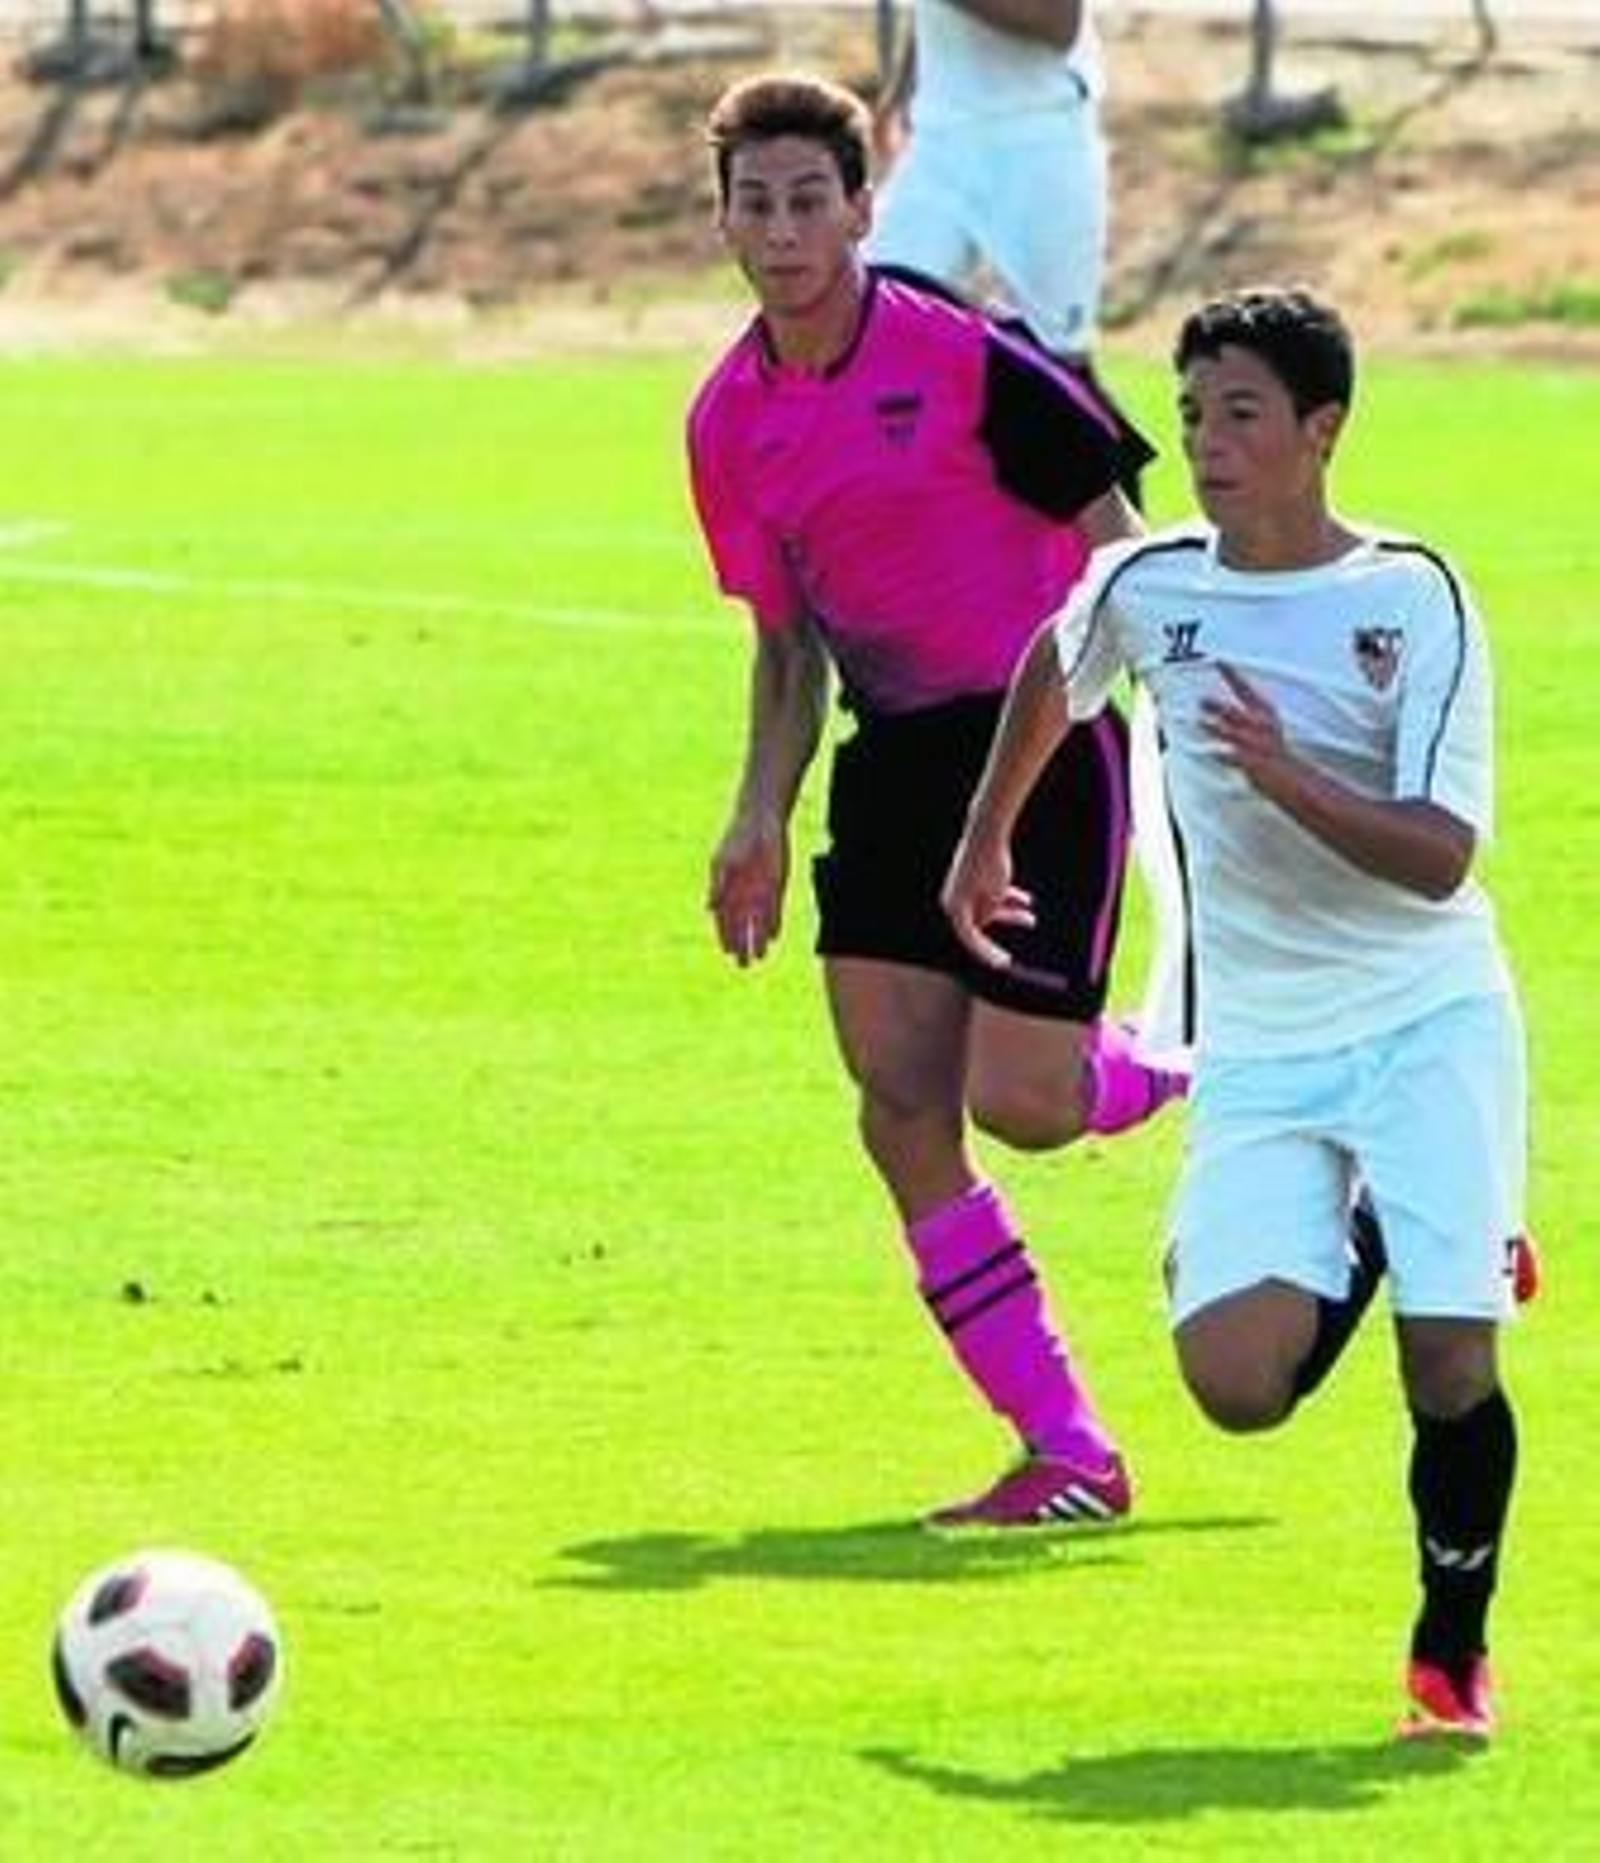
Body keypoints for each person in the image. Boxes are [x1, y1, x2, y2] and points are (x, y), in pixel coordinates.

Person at [943, 285, 1535, 1735]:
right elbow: (1058, 659)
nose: (1206, 442)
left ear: (1321, 429)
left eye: (1241, 414)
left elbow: (1439, 855)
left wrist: (1287, 780)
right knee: (1234, 1384)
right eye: (1193, 414)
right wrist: (985, 832)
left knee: (1448, 1360)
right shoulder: (1153, 588)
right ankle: (1382, 1221)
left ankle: (1449, 1651)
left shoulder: (1413, 597)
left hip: (1427, 1020)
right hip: (1262, 1046)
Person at [687, 71, 1185, 1533]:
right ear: (724, 220)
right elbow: (788, 647)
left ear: (862, 206)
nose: (785, 232)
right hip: (897, 760)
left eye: (810, 200)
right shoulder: (727, 421)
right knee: (901, 1108)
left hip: (1041, 742)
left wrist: (1159, 706)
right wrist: (757, 814)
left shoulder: (963, 356)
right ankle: (1067, 1448)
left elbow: (1121, 536)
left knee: (1023, 1100)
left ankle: (1210, 1072)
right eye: (757, 204)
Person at [868, 0, 1108, 362]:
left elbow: (1059, 23)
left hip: (1041, 138)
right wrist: (902, 90)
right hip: (938, 138)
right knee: (878, 318)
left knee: (1057, 356)